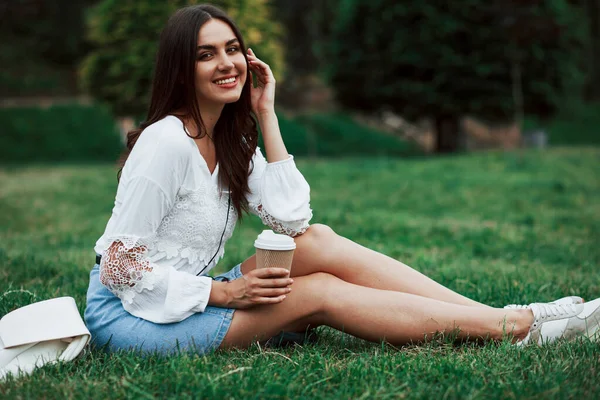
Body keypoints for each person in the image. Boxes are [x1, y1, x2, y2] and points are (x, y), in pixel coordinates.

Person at [84, 4, 600, 355]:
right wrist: (227, 294)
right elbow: (119, 265)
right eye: (206, 54)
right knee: (318, 293)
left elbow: (293, 221)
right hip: (134, 315)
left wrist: (266, 115)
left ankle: (504, 316)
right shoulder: (167, 142)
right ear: (181, 69)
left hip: (188, 294)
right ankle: (519, 327)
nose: (228, 63)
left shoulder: (230, 140)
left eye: (233, 48)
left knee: (317, 243)